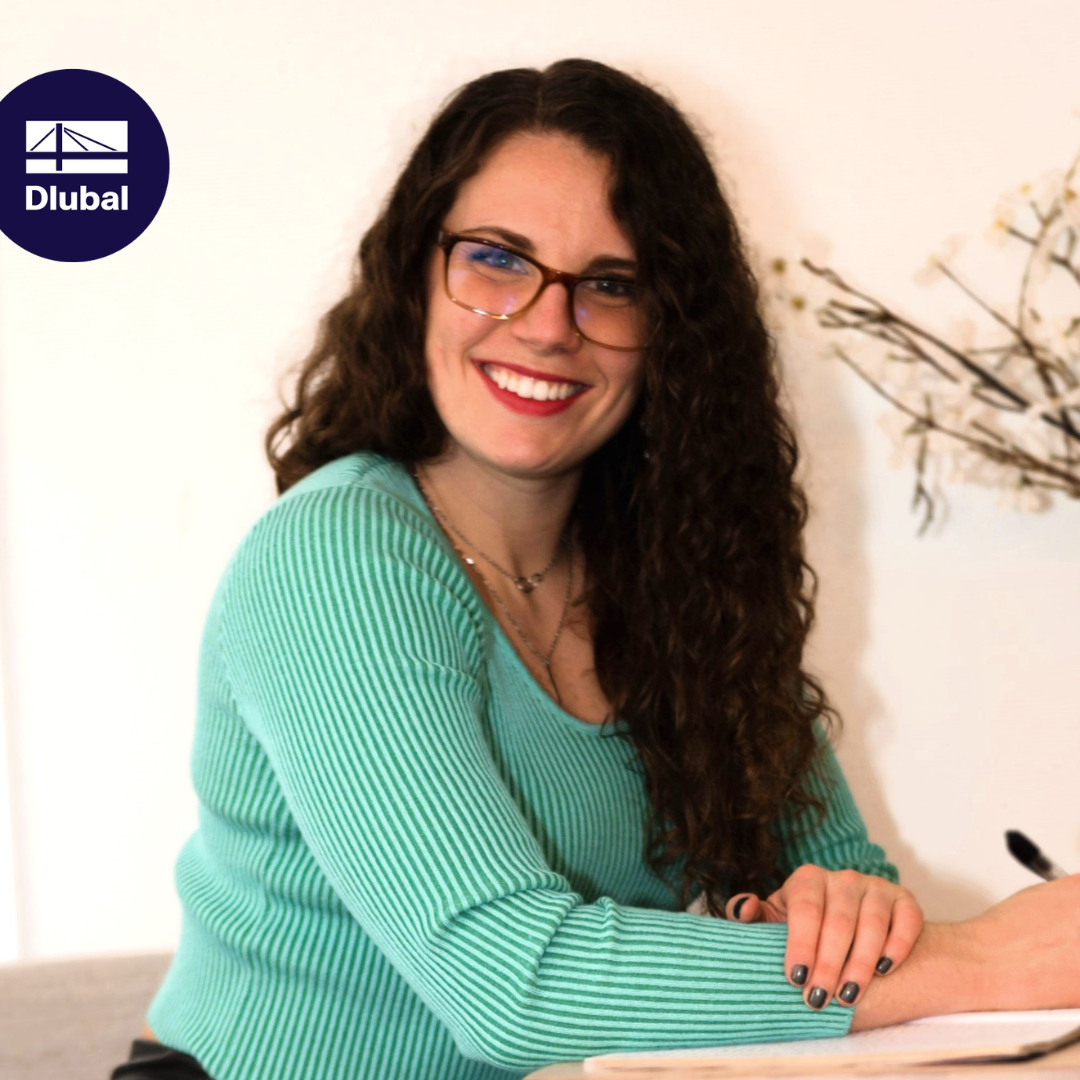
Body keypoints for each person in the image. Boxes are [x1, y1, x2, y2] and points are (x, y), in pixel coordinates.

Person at [112, 58, 1079, 1080]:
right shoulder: (338, 556)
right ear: (414, 274)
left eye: (612, 286)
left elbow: (845, 892)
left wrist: (841, 916)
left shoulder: (682, 574)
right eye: (497, 259)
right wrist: (981, 960)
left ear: (671, 334)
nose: (546, 324)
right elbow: (513, 988)